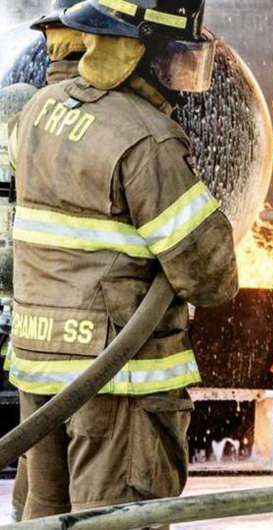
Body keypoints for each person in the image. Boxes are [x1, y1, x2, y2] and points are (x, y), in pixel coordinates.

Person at [5, 0, 236, 520]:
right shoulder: (147, 139)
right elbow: (211, 276)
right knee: (116, 521)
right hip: (119, 387)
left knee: (45, 517)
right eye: (168, 58)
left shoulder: (38, 111)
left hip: (39, 372)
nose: (176, 78)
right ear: (134, 51)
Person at [6, 1, 86, 520]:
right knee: (92, 499)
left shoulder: (24, 112)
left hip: (32, 336)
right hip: (90, 345)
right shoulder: (107, 121)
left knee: (40, 490)